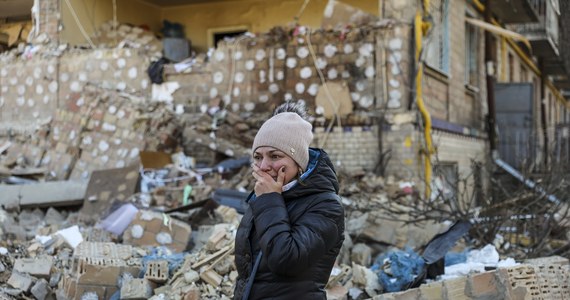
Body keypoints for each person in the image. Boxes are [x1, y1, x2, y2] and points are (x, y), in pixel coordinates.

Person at [233, 102, 345, 300]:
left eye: (275, 156)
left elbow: (286, 260)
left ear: (299, 162)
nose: (264, 166)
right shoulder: (267, 196)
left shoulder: (326, 205)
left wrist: (269, 200)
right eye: (258, 157)